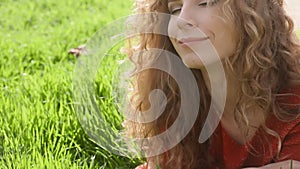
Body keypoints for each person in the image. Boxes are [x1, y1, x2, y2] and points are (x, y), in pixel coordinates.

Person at [120, 0, 300, 168]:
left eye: (205, 3)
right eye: (174, 9)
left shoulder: (294, 100)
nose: (182, 20)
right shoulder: (172, 99)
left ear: (252, 10)